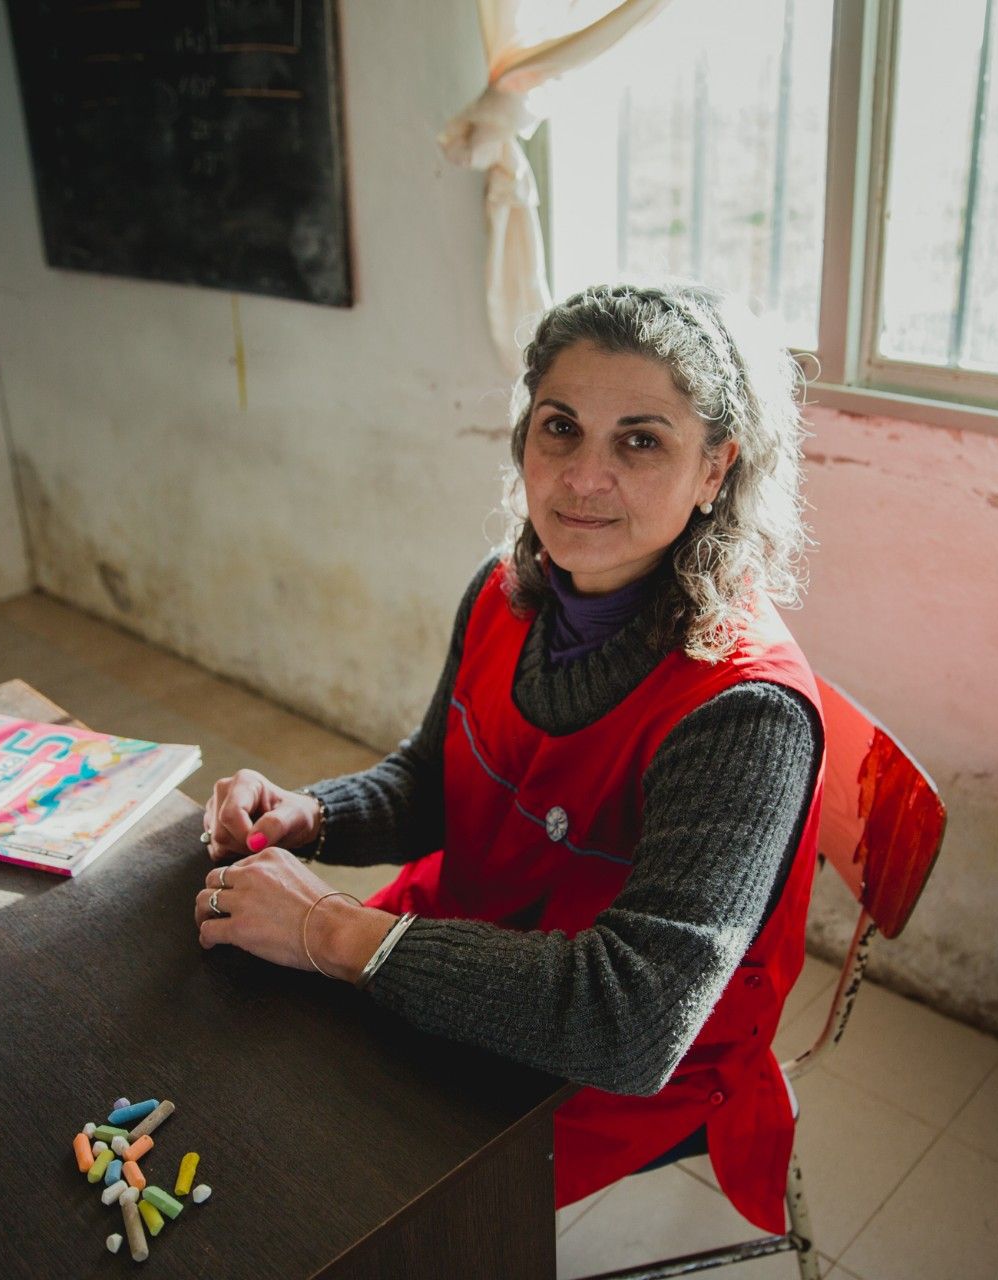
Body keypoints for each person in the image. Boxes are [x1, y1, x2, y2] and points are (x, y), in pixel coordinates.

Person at [194, 282, 824, 1232]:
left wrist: (328, 929)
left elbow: (630, 1023)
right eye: (560, 427)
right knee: (234, 1071)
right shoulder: (506, 591)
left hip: (590, 1057)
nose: (582, 477)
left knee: (317, 1191)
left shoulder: (746, 714)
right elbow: (432, 778)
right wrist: (309, 814)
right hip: (464, 930)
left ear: (715, 469)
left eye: (641, 440)